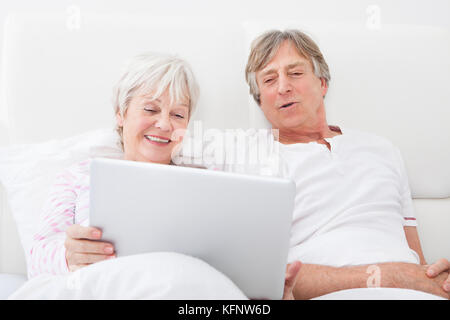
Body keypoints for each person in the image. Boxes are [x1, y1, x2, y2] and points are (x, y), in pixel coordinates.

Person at [16, 52, 300, 300]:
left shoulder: (211, 183)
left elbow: (228, 270)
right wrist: (68, 256)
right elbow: (37, 257)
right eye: (150, 109)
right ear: (121, 113)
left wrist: (269, 293)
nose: (164, 124)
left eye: (178, 115)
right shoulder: (78, 177)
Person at [244, 29, 450, 299]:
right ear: (260, 102)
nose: (283, 87)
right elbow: (266, 277)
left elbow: (419, 265)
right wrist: (384, 277)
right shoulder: (248, 156)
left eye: (295, 73)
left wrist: (438, 276)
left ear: (323, 83)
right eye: (269, 80)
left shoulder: (382, 149)